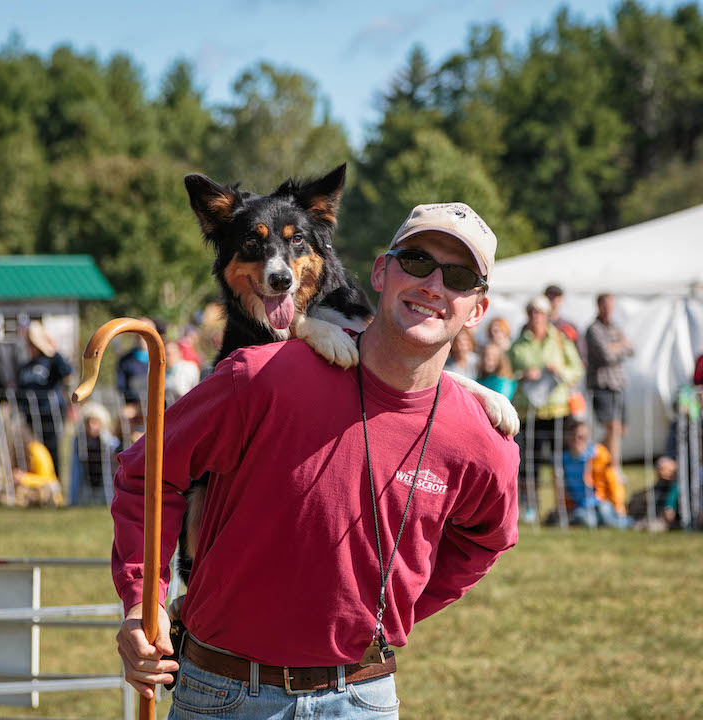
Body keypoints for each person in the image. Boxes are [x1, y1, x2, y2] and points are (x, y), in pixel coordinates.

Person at [112, 202, 520, 718]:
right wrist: (139, 604)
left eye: (458, 276)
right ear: (380, 271)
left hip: (362, 699)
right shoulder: (259, 377)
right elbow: (147, 475)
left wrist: (397, 604)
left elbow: (487, 540)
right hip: (222, 695)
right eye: (416, 262)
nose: (434, 285)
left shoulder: (482, 436)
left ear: (477, 308)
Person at [509, 295, 584, 522]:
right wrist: (523, 375)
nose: (536, 316)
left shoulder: (560, 339)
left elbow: (577, 369)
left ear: (547, 315)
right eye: (532, 312)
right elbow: (506, 372)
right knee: (529, 462)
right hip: (528, 411)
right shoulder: (518, 343)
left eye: (540, 312)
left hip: (558, 410)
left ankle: (565, 504)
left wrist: (559, 371)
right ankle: (530, 506)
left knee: (560, 461)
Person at [551, 420, 631, 528]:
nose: (577, 441)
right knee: (588, 521)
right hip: (580, 505)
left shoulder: (598, 455)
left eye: (582, 437)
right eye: (574, 437)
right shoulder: (562, 460)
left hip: (601, 501)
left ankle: (634, 523)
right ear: (568, 438)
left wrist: (618, 505)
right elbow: (560, 488)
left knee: (607, 516)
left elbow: (613, 482)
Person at [16, 321, 72, 474]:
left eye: (32, 343)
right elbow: (20, 390)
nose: (30, 347)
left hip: (50, 414)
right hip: (30, 417)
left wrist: (53, 350)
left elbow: (67, 371)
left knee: (52, 451)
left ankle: (55, 482)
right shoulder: (25, 366)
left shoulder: (52, 361)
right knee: (34, 451)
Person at [585, 294, 634, 469]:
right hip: (602, 384)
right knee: (612, 427)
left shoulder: (615, 327)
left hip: (619, 383)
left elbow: (631, 348)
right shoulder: (593, 329)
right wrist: (620, 345)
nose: (608, 309)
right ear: (598, 306)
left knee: (620, 429)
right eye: (604, 305)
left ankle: (594, 457)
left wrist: (616, 346)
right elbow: (606, 355)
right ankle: (614, 468)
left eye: (610, 305)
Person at [69, 402, 120, 506]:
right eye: (88, 422)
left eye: (95, 422)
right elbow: (75, 471)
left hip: (105, 486)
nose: (92, 426)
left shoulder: (110, 442)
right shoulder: (80, 441)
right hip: (86, 486)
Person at [544, 285, 585, 363]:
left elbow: (581, 353)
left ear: (561, 299)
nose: (553, 301)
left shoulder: (569, 327)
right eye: (550, 298)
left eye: (555, 298)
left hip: (565, 372)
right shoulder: (533, 326)